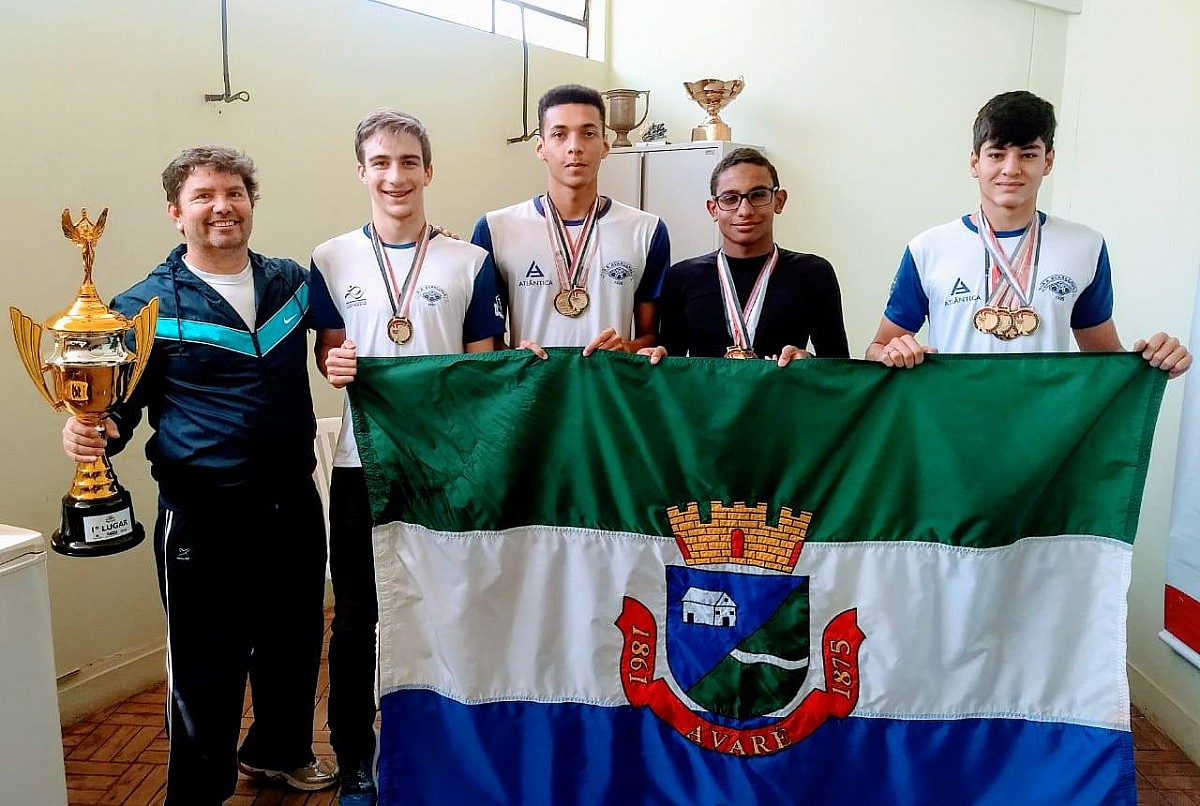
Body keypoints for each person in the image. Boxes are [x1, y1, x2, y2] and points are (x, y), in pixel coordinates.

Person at [61, 147, 336, 803]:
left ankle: (278, 751)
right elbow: (116, 406)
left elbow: (362, 308)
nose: (223, 206)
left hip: (293, 502)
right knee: (206, 665)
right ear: (175, 212)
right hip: (204, 516)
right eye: (205, 195)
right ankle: (197, 791)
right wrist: (90, 430)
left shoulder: (291, 284)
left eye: (235, 192)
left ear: (250, 202)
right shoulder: (142, 306)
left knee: (293, 644)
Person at [309, 110, 506, 806]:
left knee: (450, 604)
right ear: (361, 170)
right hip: (363, 466)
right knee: (358, 613)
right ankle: (356, 756)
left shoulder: (471, 263)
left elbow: (484, 374)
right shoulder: (330, 258)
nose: (396, 176)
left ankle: (447, 741)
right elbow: (328, 350)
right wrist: (331, 362)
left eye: (409, 161)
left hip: (446, 468)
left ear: (428, 169)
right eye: (381, 162)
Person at [867, 90, 1191, 377]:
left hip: (1043, 434)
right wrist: (895, 352)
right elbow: (877, 348)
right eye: (996, 154)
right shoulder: (928, 248)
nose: (1011, 168)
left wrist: (1155, 362)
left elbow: (1103, 357)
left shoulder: (1085, 246)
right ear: (974, 162)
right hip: (953, 429)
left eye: (1028, 154)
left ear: (1048, 161)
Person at [471, 83, 670, 358]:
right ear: (540, 147)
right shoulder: (495, 229)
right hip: (532, 393)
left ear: (604, 145)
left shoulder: (647, 231)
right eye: (559, 134)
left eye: (588, 134)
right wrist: (514, 355)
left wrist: (626, 348)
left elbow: (651, 335)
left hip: (607, 392)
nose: (575, 147)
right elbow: (482, 340)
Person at [657, 147, 850, 364]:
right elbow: (669, 367)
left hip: (782, 396)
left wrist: (808, 361)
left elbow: (839, 367)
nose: (745, 210)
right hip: (705, 398)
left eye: (758, 195)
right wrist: (652, 357)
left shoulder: (814, 274)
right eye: (730, 199)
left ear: (779, 201)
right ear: (713, 209)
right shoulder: (682, 277)